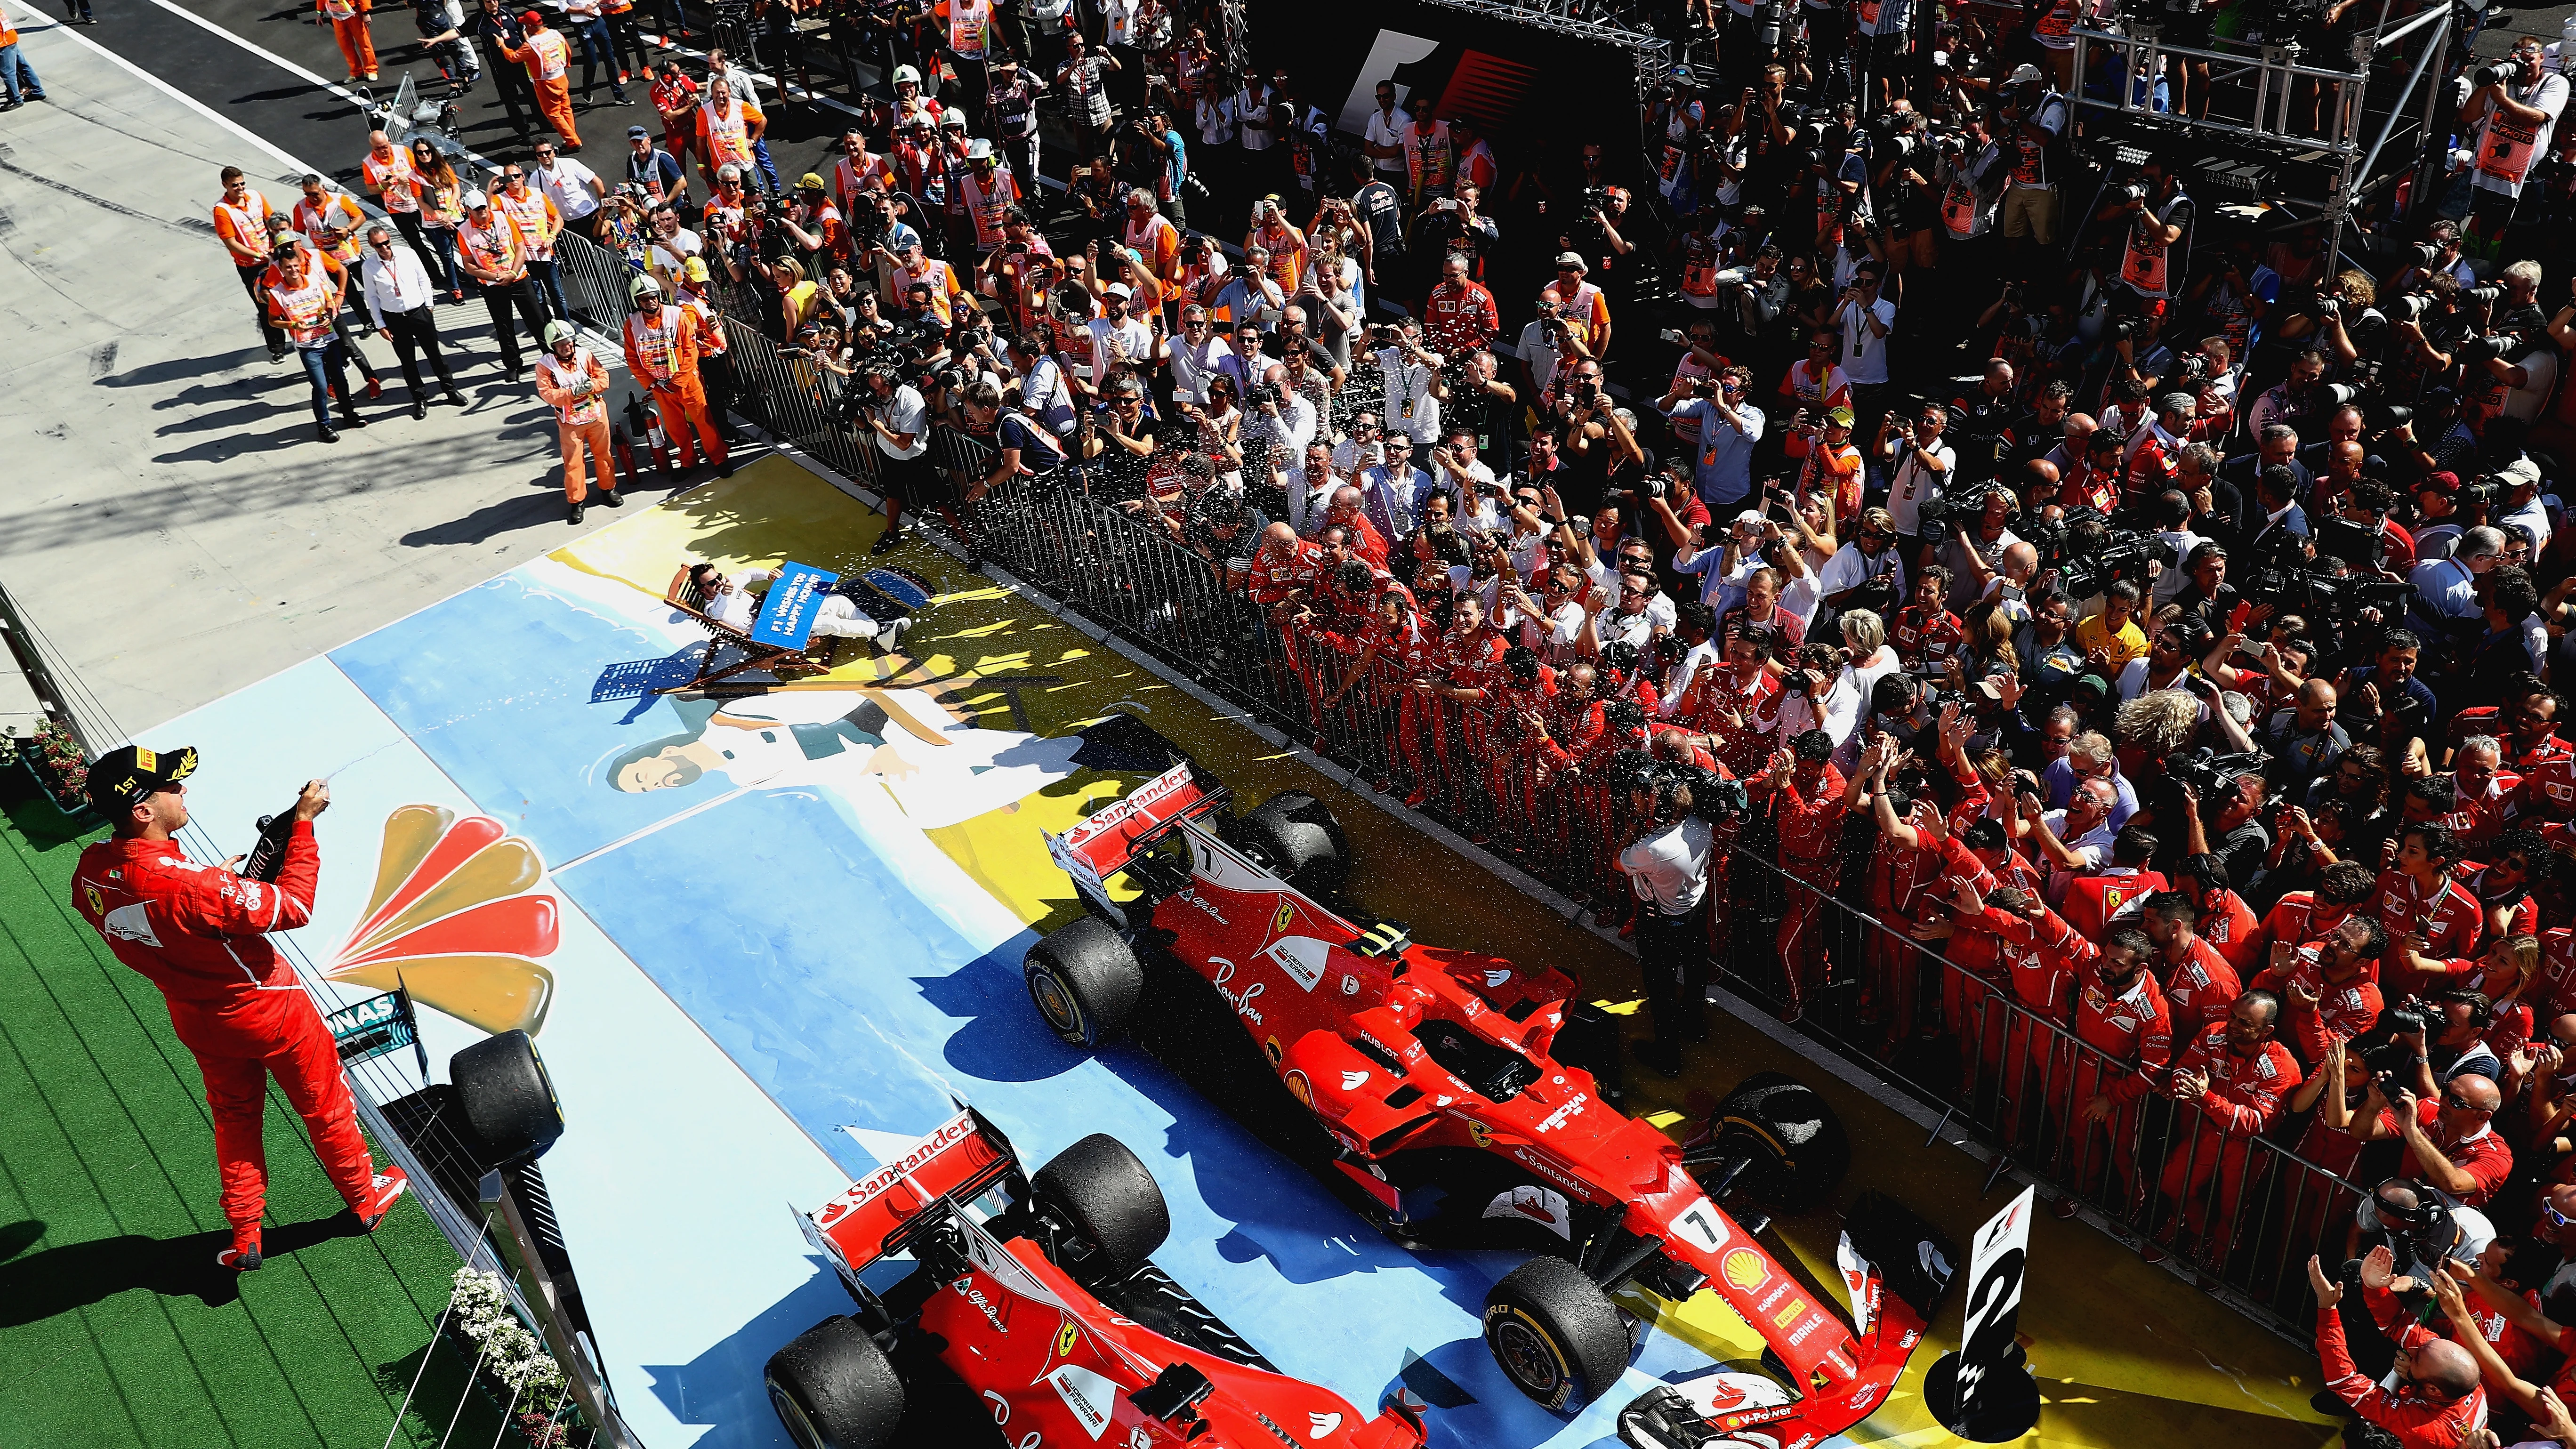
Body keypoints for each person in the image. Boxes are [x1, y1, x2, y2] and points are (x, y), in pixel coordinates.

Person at [70, 749, 409, 1271]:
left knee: (235, 1123)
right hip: (270, 1009)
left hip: (199, 1021)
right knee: (325, 1106)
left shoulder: (91, 870)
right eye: (171, 788)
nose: (183, 791)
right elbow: (293, 907)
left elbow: (146, 911)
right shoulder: (197, 888)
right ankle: (365, 1197)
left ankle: (246, 1234)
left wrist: (209, 894)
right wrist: (301, 826)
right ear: (143, 811)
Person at [1619, 770, 1715, 1076]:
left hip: (1661, 924)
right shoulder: (1701, 825)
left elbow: (1617, 862)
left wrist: (1634, 824)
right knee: (1696, 971)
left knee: (1661, 991)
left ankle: (1668, 1057)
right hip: (1696, 912)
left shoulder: (1652, 848)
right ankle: (1694, 1024)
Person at [623, 274, 730, 478]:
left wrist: (678, 381)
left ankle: (719, 458)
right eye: (644, 299)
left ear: (659, 296)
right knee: (676, 427)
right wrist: (652, 384)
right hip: (660, 387)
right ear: (637, 301)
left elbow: (691, 351)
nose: (650, 301)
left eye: (653, 296)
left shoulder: (677, 316)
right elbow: (632, 358)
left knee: (704, 422)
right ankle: (688, 461)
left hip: (686, 382)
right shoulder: (632, 325)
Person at [265, 242, 370, 443]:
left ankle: (349, 415)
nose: (293, 270)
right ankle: (324, 426)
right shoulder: (278, 294)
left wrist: (329, 314)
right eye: (288, 268)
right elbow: (272, 321)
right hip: (309, 348)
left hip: (329, 340)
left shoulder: (316, 282)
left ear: (300, 264)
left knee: (340, 380)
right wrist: (293, 325)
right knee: (321, 387)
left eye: (296, 266)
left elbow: (330, 303)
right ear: (282, 269)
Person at [357, 223, 465, 419]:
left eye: (386, 243)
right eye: (379, 245)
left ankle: (450, 390)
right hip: (395, 318)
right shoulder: (369, 267)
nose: (384, 248)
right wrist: (380, 324)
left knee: (435, 355)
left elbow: (423, 278)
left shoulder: (407, 254)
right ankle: (420, 399)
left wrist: (429, 305)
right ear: (371, 246)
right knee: (408, 362)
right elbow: (371, 297)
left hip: (419, 312)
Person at [535, 320, 624, 523]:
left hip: (596, 414)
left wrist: (590, 386)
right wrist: (572, 392)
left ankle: (608, 489)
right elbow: (547, 393)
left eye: (568, 342)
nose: (566, 347)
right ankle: (577, 502)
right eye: (560, 345)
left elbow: (604, 379)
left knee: (604, 455)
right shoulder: (545, 366)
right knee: (573, 462)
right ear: (553, 347)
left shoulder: (586, 356)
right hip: (570, 422)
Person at [456, 188, 549, 383]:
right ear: (468, 210)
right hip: (493, 285)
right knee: (504, 326)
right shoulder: (464, 232)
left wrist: (513, 273)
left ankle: (551, 358)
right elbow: (469, 266)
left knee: (537, 320)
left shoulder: (503, 218)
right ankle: (514, 364)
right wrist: (495, 276)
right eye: (477, 210)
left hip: (519, 277)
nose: (483, 212)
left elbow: (520, 247)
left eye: (484, 207)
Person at [213, 167, 288, 361]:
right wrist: (256, 254)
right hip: (251, 266)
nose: (240, 188)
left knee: (290, 295)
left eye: (242, 183)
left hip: (273, 258)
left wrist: (279, 243)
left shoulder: (256, 196)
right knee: (265, 305)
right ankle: (277, 348)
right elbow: (231, 243)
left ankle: (300, 335)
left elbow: (272, 222)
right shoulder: (222, 211)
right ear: (225, 185)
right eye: (235, 185)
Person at [500, 9, 581, 151]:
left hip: (546, 82)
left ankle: (573, 141)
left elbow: (514, 58)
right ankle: (571, 137)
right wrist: (566, 64)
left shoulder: (531, 44)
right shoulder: (555, 34)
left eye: (526, 25)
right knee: (566, 108)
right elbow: (568, 51)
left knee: (554, 113)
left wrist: (502, 45)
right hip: (561, 76)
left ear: (531, 27)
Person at [318, 0, 380, 83]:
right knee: (345, 46)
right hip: (337, 18)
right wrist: (320, 14)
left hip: (354, 14)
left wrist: (366, 13)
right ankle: (356, 72)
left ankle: (371, 70)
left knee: (364, 43)